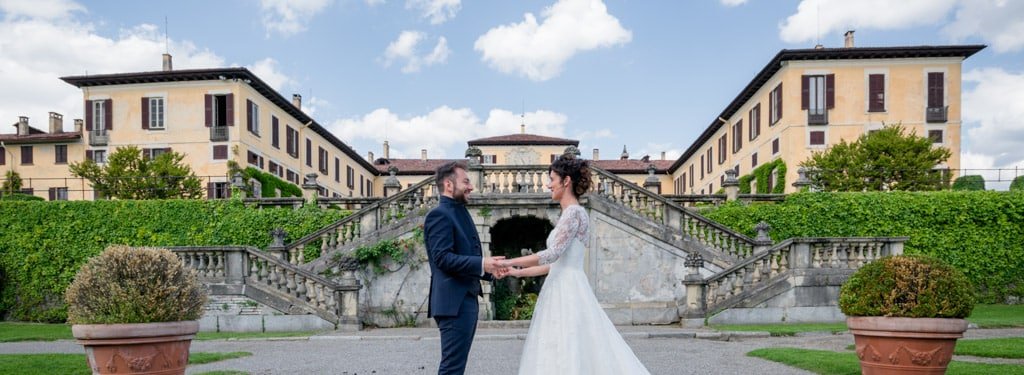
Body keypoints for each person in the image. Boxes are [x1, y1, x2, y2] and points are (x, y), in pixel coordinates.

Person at [499, 156, 651, 375]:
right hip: (562, 283)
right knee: (560, 345)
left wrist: (509, 260)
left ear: (566, 181)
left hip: (566, 289)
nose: (548, 185)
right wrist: (516, 272)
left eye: (552, 179)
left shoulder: (573, 213)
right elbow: (555, 265)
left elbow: (551, 254)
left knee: (568, 344)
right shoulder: (572, 213)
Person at [423, 161, 507, 375]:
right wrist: (482, 263)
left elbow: (465, 254)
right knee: (452, 369)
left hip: (463, 300)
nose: (471, 187)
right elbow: (442, 258)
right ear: (449, 185)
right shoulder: (439, 214)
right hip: (453, 304)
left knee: (456, 367)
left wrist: (488, 270)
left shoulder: (459, 211)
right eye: (466, 182)